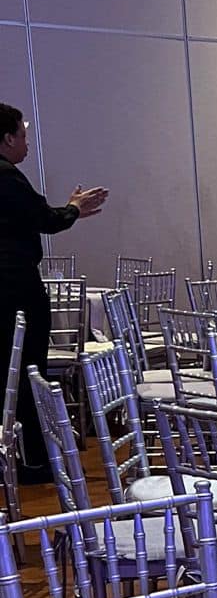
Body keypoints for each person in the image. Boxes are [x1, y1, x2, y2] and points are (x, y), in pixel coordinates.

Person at [0, 105, 108, 481]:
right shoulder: (6, 176)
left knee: (11, 375)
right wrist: (73, 209)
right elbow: (44, 219)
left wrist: (71, 210)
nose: (27, 143)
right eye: (23, 135)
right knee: (30, 370)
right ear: (8, 138)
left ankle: (17, 459)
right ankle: (32, 462)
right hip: (15, 286)